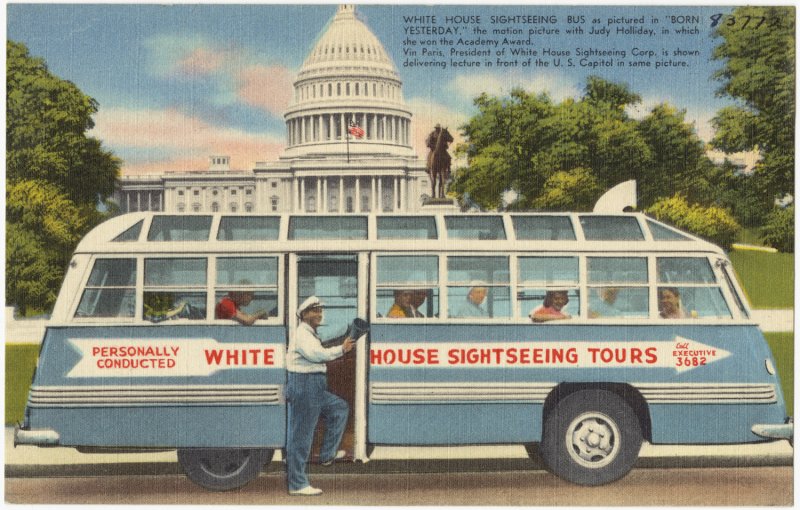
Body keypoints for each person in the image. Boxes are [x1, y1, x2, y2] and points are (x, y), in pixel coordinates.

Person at [285, 296, 354, 496]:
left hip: (314, 386)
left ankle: (327, 455)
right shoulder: (302, 334)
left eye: (320, 310)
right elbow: (317, 355)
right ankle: (297, 484)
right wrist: (342, 349)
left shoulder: (310, 333)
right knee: (301, 436)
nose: (319, 313)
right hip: (305, 385)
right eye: (314, 310)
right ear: (303, 314)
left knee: (340, 408)